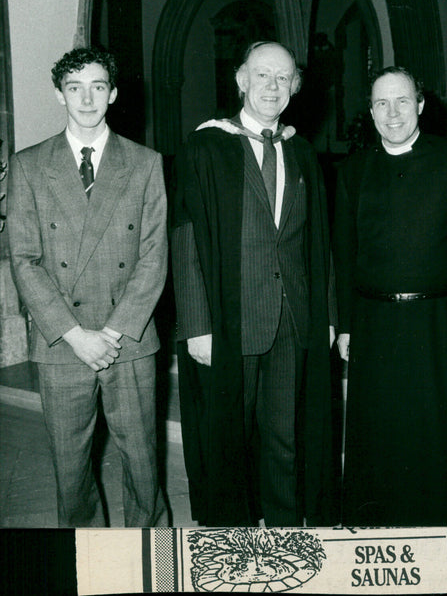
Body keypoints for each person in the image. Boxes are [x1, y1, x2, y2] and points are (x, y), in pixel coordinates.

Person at [170, 41, 337, 526]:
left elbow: (318, 243)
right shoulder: (207, 146)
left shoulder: (302, 152)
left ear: (294, 88)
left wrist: (325, 316)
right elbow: (186, 238)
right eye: (262, 75)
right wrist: (197, 325)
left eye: (282, 78)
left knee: (285, 436)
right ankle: (232, 543)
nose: (271, 86)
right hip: (231, 316)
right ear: (241, 79)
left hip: (293, 318)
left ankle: (285, 536)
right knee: (230, 436)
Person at [7, 47, 168, 527]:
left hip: (130, 340)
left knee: (142, 462)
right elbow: (25, 259)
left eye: (98, 86)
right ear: (60, 94)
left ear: (113, 94)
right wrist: (76, 334)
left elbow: (153, 255)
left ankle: (152, 554)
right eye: (74, 87)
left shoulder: (144, 163)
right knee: (70, 468)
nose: (87, 98)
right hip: (63, 343)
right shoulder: (30, 165)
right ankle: (87, 558)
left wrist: (113, 332)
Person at [333, 66, 447, 525]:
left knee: (440, 436)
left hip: (441, 321)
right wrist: (345, 324)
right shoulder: (352, 171)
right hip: (374, 322)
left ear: (421, 105)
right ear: (370, 111)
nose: (393, 113)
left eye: (403, 101)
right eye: (382, 103)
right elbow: (343, 257)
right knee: (382, 435)